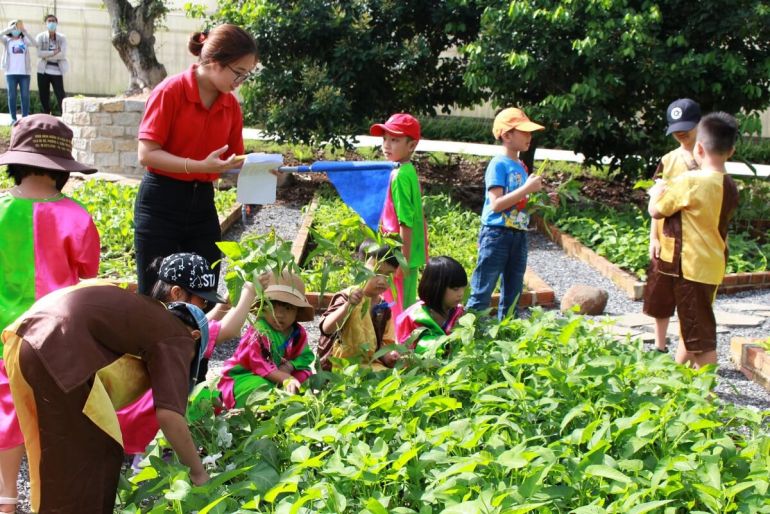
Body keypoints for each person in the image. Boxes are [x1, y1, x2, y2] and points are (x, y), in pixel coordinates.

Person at [2, 281, 211, 513]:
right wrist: (198, 472)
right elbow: (170, 416)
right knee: (95, 456)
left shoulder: (146, 312)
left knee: (54, 456)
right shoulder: (180, 336)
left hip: (25, 336)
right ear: (194, 336)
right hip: (57, 347)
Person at [0, 113, 99, 513]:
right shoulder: (76, 217)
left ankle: (7, 498)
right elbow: (88, 274)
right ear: (62, 172)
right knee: (54, 414)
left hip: (5, 332)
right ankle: (51, 497)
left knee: (9, 410)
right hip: (57, 335)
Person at [135, 24, 259, 294]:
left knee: (204, 288)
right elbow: (146, 154)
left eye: (246, 75)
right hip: (161, 200)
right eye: (238, 73)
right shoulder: (171, 91)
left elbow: (233, 161)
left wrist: (261, 168)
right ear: (215, 61)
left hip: (202, 202)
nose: (239, 82)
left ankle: (197, 337)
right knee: (155, 292)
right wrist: (198, 165)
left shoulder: (230, 106)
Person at [116, 252, 257, 457]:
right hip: (147, 428)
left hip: (123, 418)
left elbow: (203, 321)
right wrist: (250, 291)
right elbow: (229, 329)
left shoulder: (157, 315)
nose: (204, 306)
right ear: (177, 293)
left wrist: (224, 304)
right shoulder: (179, 335)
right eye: (202, 300)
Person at [647, 112, 740, 369]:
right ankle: (678, 377)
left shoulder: (690, 181)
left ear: (699, 148)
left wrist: (655, 194)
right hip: (712, 265)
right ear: (730, 151)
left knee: (701, 339)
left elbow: (657, 211)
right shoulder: (730, 185)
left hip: (690, 268)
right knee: (693, 324)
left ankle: (706, 397)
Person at [466, 107, 545, 320]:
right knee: (483, 288)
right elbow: (496, 204)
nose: (529, 137)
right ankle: (470, 332)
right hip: (496, 234)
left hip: (518, 234)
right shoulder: (498, 164)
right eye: (524, 132)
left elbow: (520, 202)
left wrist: (543, 200)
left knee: (514, 290)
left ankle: (506, 331)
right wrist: (526, 189)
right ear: (507, 135)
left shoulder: (520, 165)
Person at [643, 99, 701, 353]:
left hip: (697, 239)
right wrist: (652, 238)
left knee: (692, 296)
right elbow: (656, 199)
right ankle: (659, 345)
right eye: (676, 128)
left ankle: (686, 348)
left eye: (686, 127)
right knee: (661, 292)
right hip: (667, 238)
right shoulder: (668, 160)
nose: (681, 133)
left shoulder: (708, 158)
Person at [216, 270, 315, 408]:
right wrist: (285, 378)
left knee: (306, 374)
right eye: (273, 305)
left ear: (297, 311)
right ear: (263, 306)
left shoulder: (298, 333)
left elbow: (305, 356)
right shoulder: (260, 331)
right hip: (246, 374)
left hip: (279, 373)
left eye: (288, 308)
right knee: (259, 388)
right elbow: (259, 364)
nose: (280, 315)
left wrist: (289, 366)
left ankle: (286, 397)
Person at [370, 113, 428, 330]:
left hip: (397, 255)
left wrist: (401, 261)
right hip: (405, 254)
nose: (387, 145)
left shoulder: (399, 176)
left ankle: (399, 348)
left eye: (394, 140)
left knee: (396, 307)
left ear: (411, 145)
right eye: (385, 139)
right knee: (405, 302)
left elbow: (406, 221)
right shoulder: (407, 170)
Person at [317, 241, 400, 371]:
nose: (382, 280)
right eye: (376, 272)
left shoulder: (384, 307)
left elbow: (382, 344)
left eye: (388, 274)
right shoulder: (346, 297)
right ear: (360, 269)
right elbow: (327, 328)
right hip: (339, 364)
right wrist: (348, 306)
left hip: (369, 363)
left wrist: (388, 356)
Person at [397, 256, 467, 356]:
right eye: (455, 289)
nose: (461, 294)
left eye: (463, 288)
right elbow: (403, 349)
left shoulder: (460, 314)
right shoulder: (413, 317)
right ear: (436, 287)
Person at [1, 20, 35, 125]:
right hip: (10, 73)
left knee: (25, 95)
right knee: (12, 95)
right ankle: (13, 118)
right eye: (14, 28)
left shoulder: (24, 40)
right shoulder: (6, 40)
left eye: (17, 28)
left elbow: (35, 43)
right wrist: (10, 29)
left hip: (24, 73)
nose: (16, 30)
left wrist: (25, 31)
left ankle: (25, 118)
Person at [35, 14, 68, 115]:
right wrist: (54, 52)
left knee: (60, 94)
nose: (51, 23)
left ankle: (64, 114)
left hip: (57, 71)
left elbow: (62, 54)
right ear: (46, 23)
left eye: (53, 21)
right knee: (43, 94)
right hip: (43, 70)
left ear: (56, 23)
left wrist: (46, 55)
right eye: (49, 21)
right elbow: (39, 53)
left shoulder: (62, 38)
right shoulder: (40, 36)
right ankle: (46, 114)